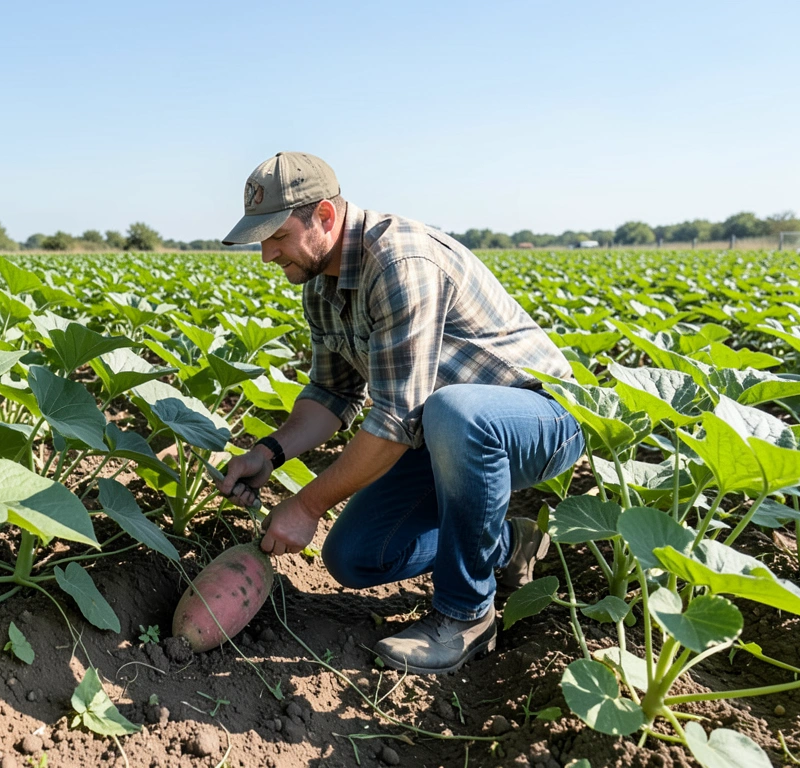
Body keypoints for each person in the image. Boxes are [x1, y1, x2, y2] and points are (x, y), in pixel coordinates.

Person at [216, 152, 582, 674]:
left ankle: (467, 616)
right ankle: (507, 543)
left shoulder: (398, 261)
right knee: (354, 555)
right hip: (440, 433)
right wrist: (268, 453)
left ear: (324, 217)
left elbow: (393, 422)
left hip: (535, 420)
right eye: (261, 239)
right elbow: (331, 393)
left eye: (277, 236)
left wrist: (305, 506)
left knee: (455, 412)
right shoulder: (319, 285)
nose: (267, 255)